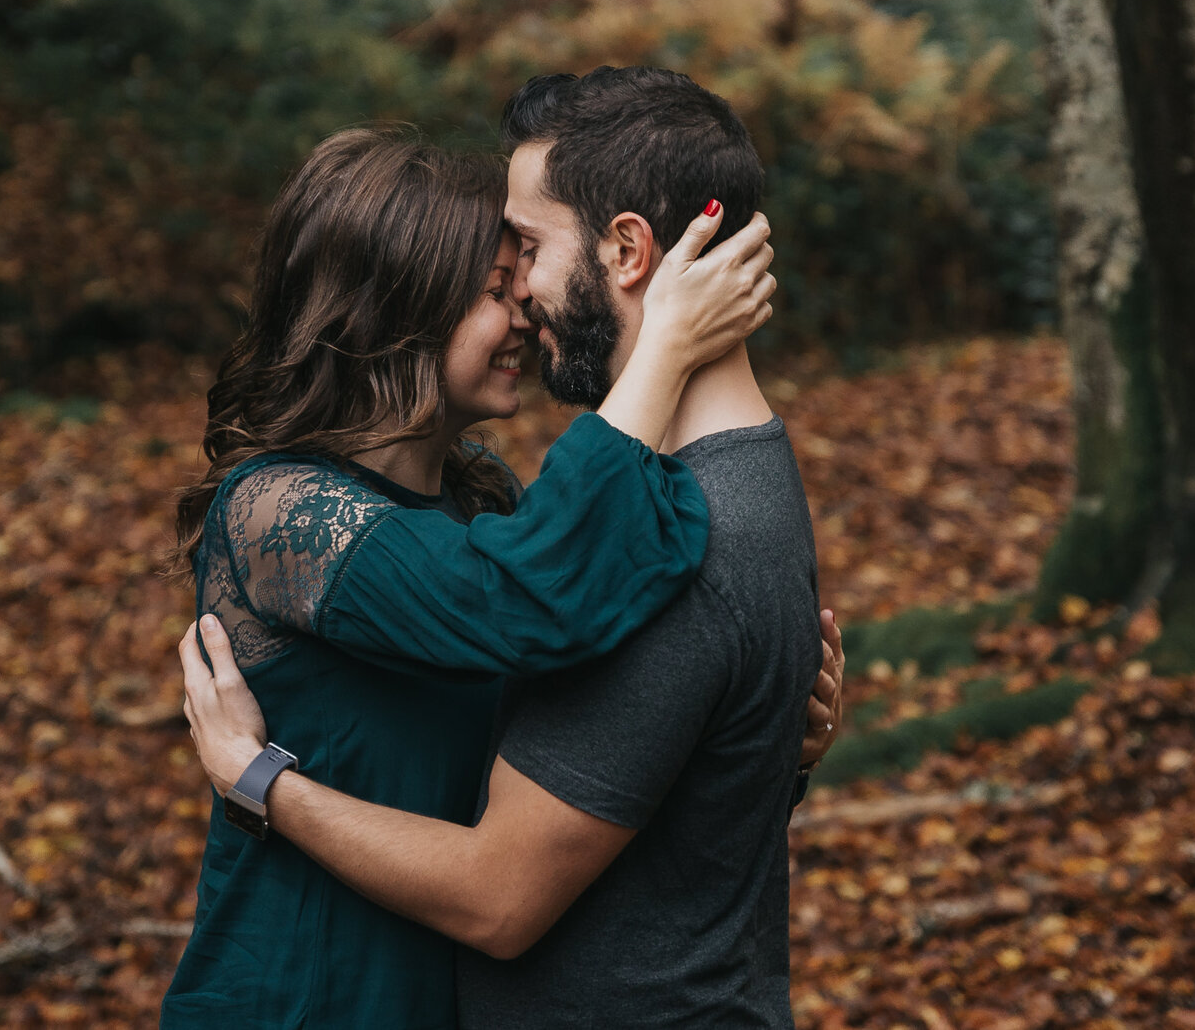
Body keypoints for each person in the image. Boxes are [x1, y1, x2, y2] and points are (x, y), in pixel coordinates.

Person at [180, 68, 837, 1030]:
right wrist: (663, 351)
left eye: (523, 260)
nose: (526, 303)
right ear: (398, 310)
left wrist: (755, 733)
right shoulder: (279, 510)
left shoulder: (484, 499)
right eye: (497, 284)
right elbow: (516, 601)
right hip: (308, 996)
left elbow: (579, 725)